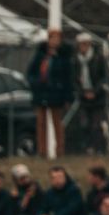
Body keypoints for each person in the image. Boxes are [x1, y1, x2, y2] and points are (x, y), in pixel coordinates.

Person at [27, 28, 73, 158]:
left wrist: (67, 96)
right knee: (41, 123)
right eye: (52, 38)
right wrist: (36, 83)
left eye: (57, 39)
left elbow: (68, 78)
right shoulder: (40, 55)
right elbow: (30, 73)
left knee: (57, 122)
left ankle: (59, 150)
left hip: (56, 94)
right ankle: (42, 151)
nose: (54, 41)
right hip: (41, 93)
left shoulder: (63, 57)